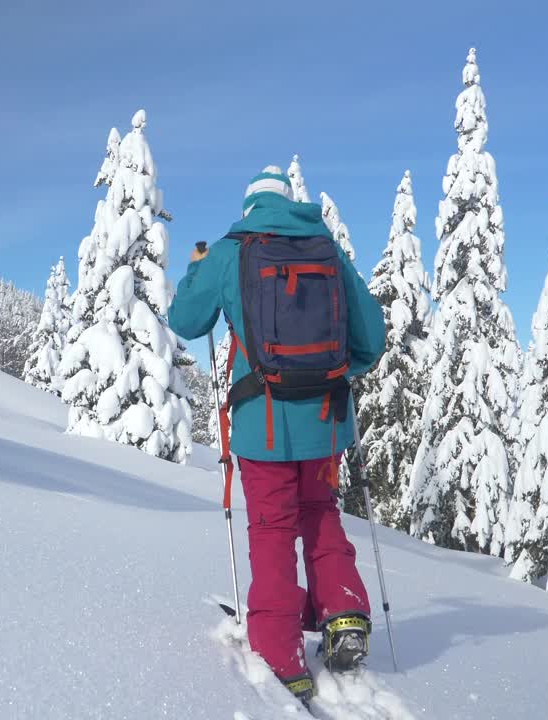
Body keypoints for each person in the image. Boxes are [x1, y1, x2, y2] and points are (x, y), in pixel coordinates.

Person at [168, 166, 386, 704]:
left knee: (270, 527)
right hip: (325, 422)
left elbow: (185, 320)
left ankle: (280, 653)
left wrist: (197, 269)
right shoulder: (327, 251)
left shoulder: (229, 250)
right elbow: (372, 339)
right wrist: (334, 375)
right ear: (289, 202)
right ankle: (344, 614)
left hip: (260, 425)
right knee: (320, 513)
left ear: (249, 206)